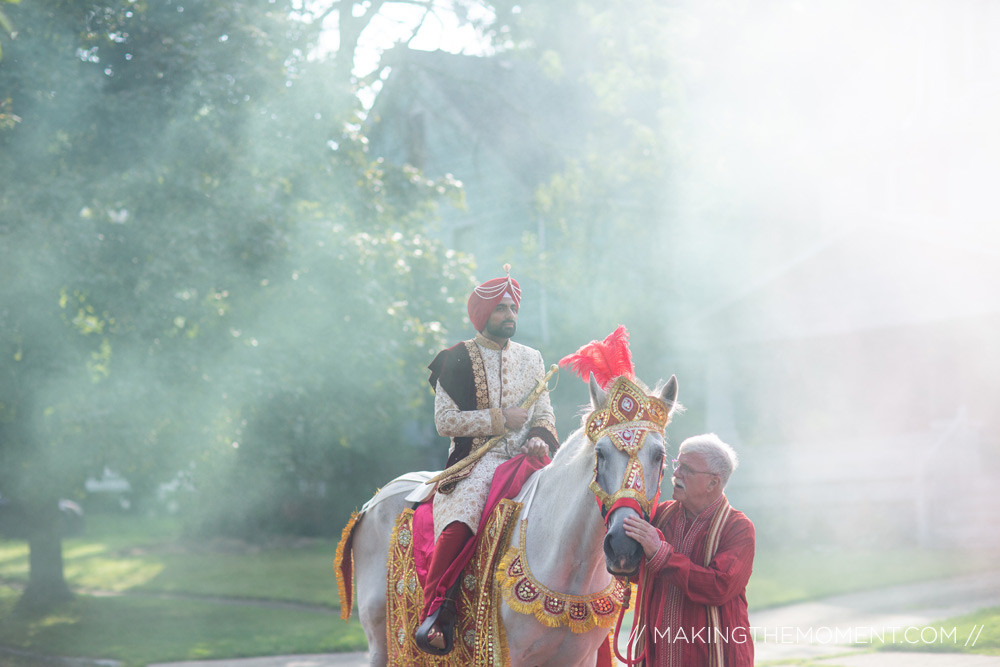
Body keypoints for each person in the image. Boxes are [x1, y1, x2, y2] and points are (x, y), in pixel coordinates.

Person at [416, 266, 559, 654]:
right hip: (476, 462)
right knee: (462, 520)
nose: (510, 315)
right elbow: (445, 422)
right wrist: (500, 419)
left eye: (513, 308)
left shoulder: (532, 358)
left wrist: (537, 438)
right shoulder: (455, 358)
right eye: (500, 309)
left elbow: (545, 413)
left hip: (526, 462)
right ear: (482, 315)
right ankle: (434, 614)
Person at [623, 433, 755, 667]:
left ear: (713, 483)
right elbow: (636, 572)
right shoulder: (662, 514)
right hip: (658, 656)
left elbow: (718, 587)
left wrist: (661, 554)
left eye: (686, 468)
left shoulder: (738, 527)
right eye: (677, 464)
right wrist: (623, 557)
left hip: (718, 657)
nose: (676, 474)